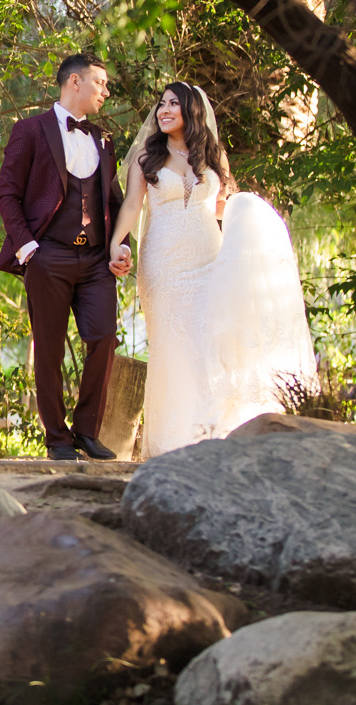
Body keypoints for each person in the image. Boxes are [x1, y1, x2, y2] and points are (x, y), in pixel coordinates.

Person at [108, 82, 319, 456]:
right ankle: (171, 444)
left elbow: (219, 208)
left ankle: (211, 436)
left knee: (210, 344)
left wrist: (251, 214)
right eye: (161, 104)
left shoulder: (213, 157)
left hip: (210, 259)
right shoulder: (147, 157)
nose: (163, 110)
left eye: (173, 103)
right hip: (164, 264)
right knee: (173, 347)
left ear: (192, 111)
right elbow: (131, 207)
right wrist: (117, 242)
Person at [0, 54, 131, 462]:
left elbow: (113, 203)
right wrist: (29, 249)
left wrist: (120, 248)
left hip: (94, 262)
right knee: (50, 350)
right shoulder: (30, 131)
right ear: (75, 82)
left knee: (103, 338)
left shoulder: (104, 140)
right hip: (46, 255)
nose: (105, 92)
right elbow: (7, 196)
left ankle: (87, 431)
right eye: (100, 83)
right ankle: (57, 439)